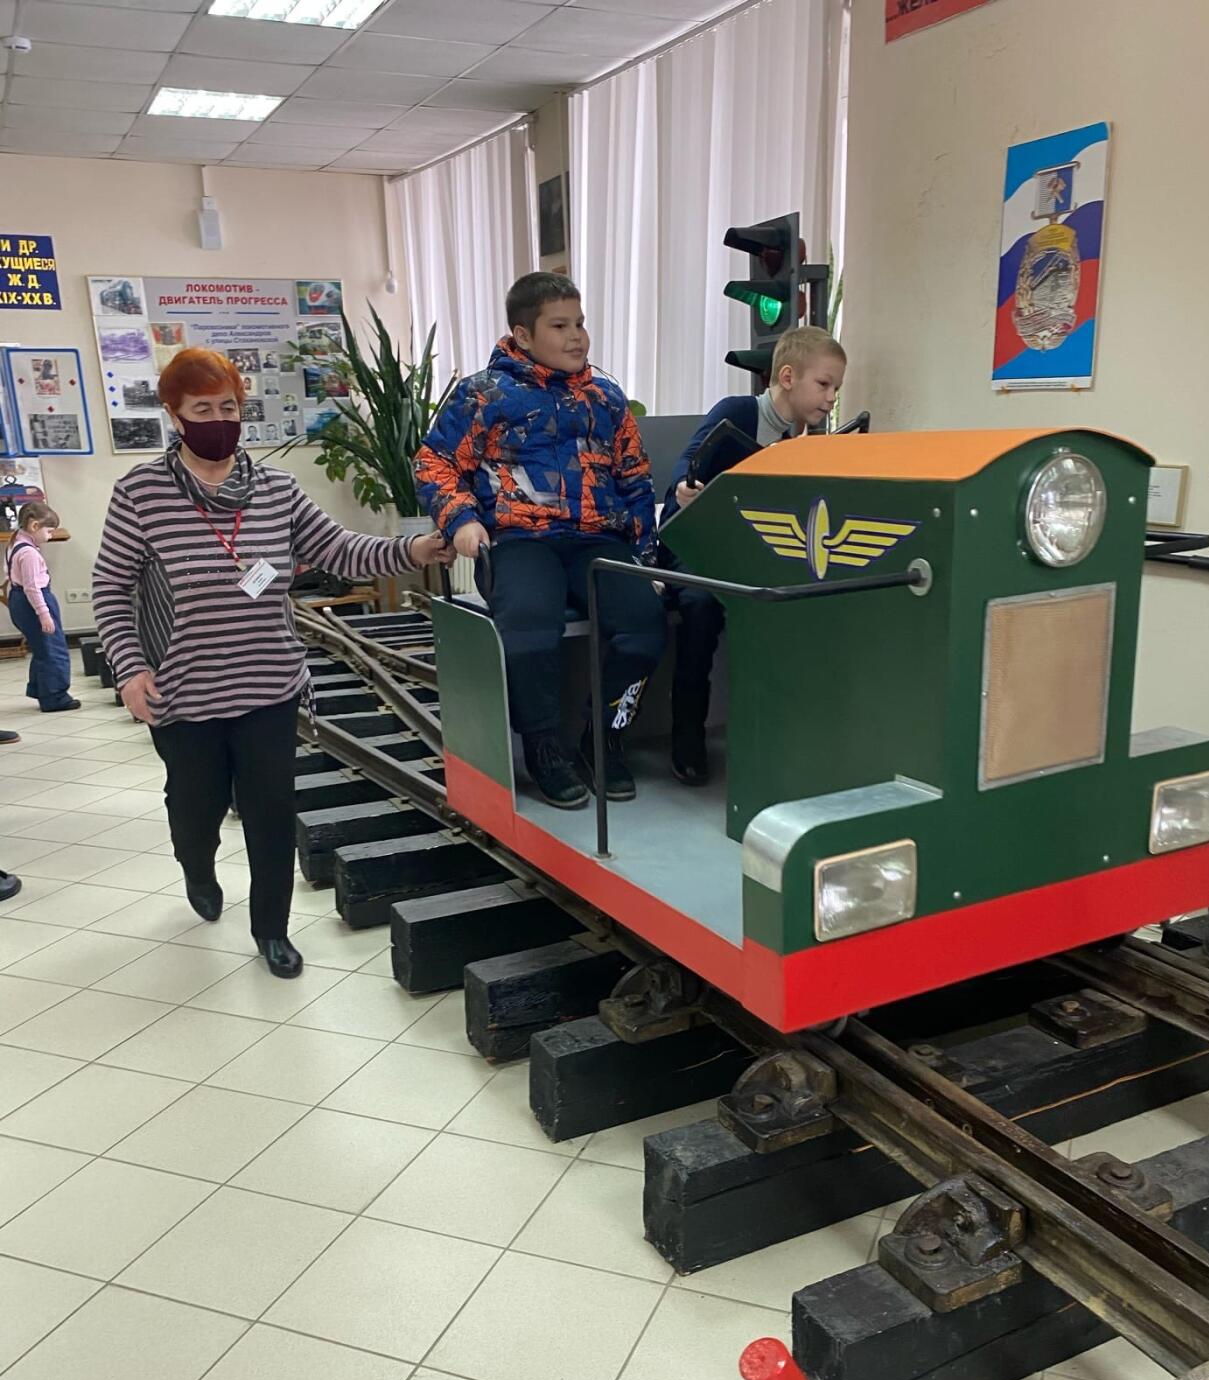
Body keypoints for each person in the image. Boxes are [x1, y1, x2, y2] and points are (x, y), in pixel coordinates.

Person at [93, 345, 452, 980]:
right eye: (203, 409)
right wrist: (129, 668)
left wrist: (414, 549)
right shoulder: (141, 493)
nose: (219, 420)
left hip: (268, 684)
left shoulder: (276, 489)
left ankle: (272, 930)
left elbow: (340, 549)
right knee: (196, 808)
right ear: (175, 415)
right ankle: (196, 865)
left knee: (271, 812)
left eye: (228, 407)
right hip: (183, 690)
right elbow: (112, 587)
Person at [417, 272, 665, 809]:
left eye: (580, 323)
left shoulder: (606, 397)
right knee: (530, 622)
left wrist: (646, 559)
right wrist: (461, 520)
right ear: (523, 335)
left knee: (645, 627)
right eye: (560, 326)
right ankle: (544, 744)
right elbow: (434, 462)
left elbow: (635, 478)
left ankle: (602, 737)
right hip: (518, 539)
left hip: (597, 540)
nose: (577, 336)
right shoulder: (484, 394)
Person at [657, 326, 848, 785]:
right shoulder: (738, 412)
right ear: (788, 377)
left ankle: (780, 733)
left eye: (836, 388)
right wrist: (684, 485)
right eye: (824, 384)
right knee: (701, 606)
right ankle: (687, 736)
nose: (831, 398)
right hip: (694, 544)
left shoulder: (801, 440)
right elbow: (689, 463)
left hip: (748, 551)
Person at [6, 501, 79, 715]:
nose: (50, 536)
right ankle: (55, 697)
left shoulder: (15, 543)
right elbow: (32, 587)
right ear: (34, 526)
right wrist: (44, 614)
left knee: (41, 649)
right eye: (49, 531)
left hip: (18, 599)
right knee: (53, 649)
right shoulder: (29, 553)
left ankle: (42, 690)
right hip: (34, 601)